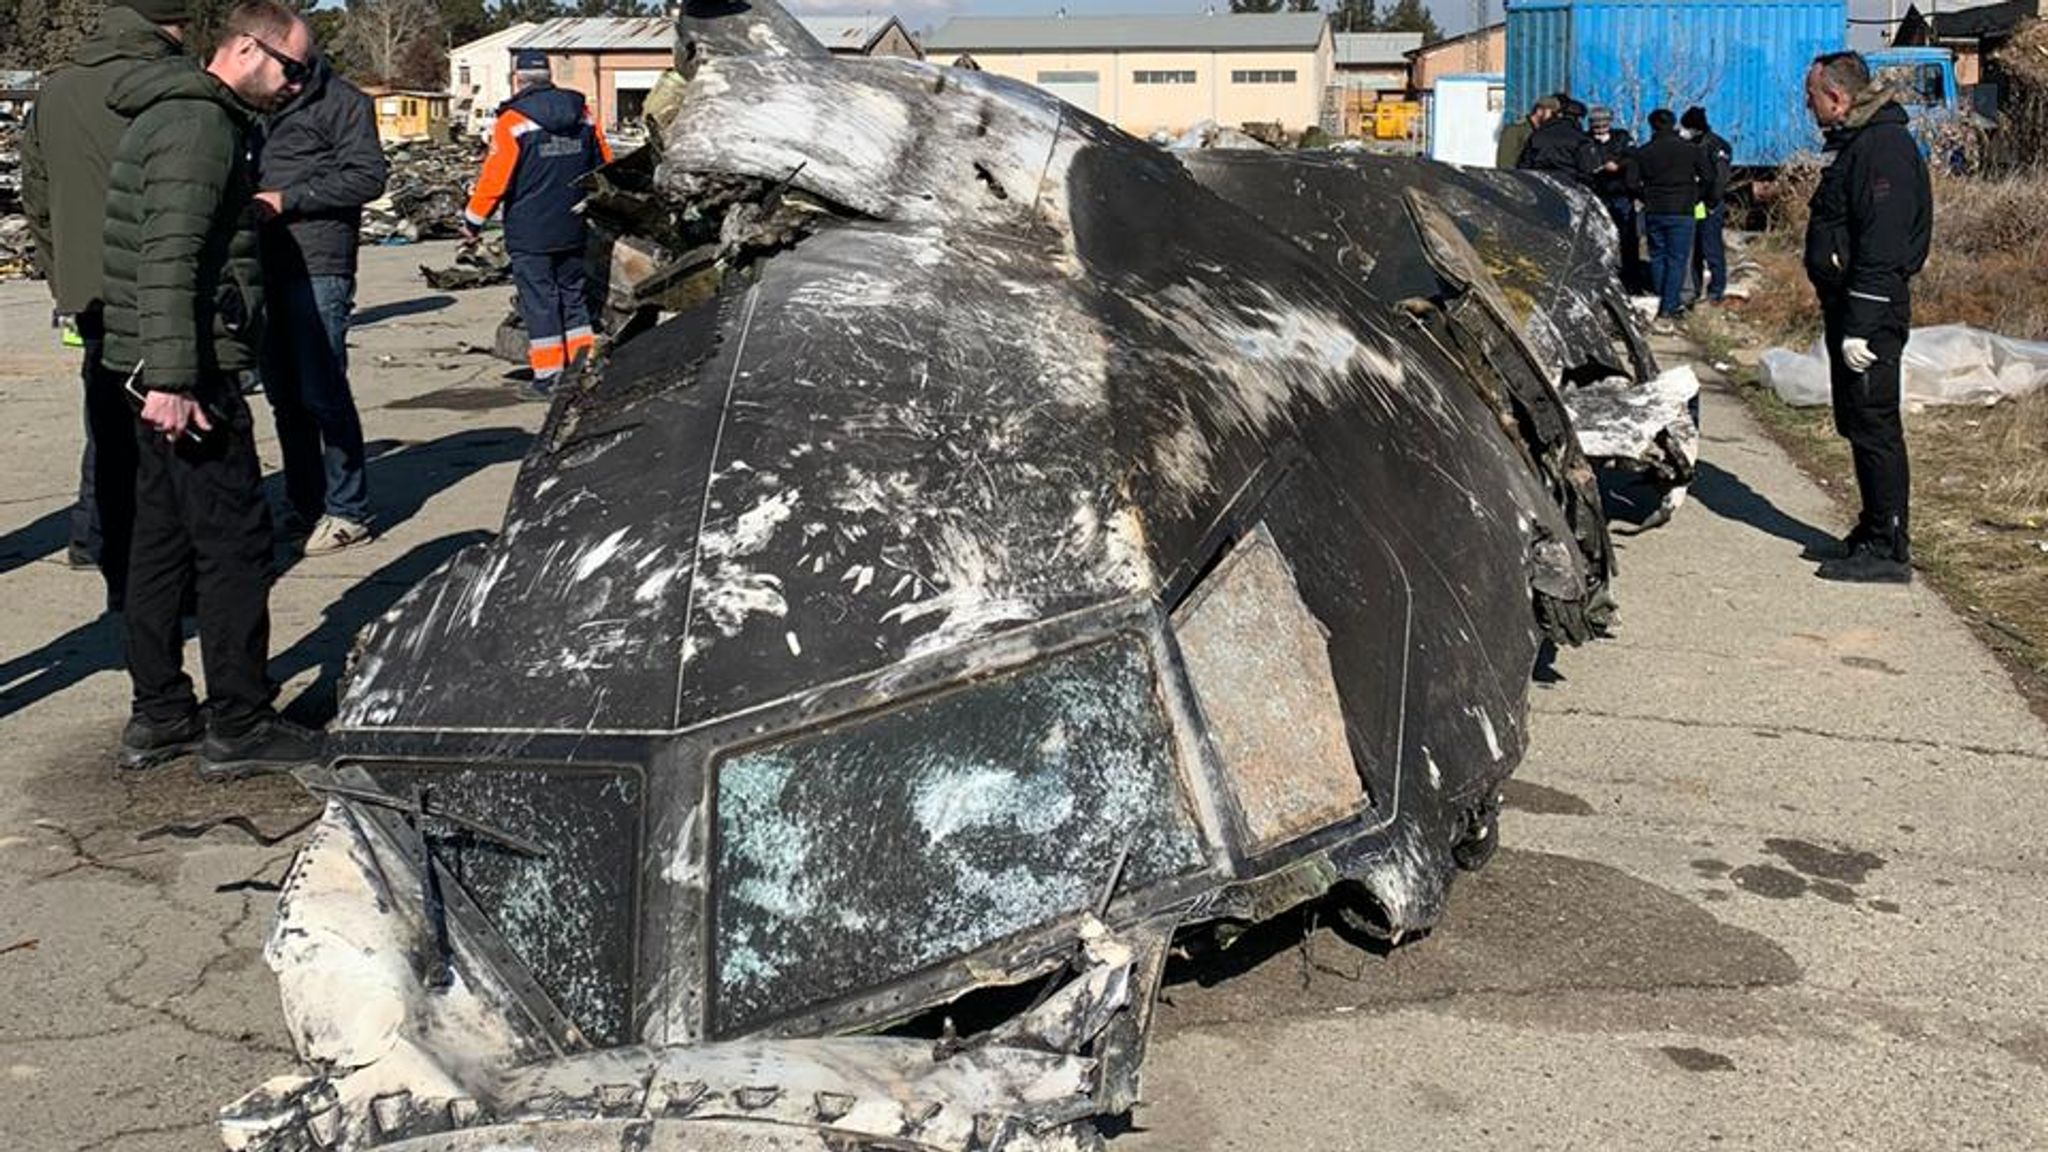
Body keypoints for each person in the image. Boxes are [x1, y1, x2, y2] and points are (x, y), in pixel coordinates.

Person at [100, 0, 324, 776]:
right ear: (246, 49)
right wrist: (172, 378)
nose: (297, 85)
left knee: (160, 543)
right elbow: (169, 256)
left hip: (154, 367)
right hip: (186, 373)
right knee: (236, 545)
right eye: (292, 68)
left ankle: (161, 713)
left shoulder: (181, 114)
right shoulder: (201, 127)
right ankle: (240, 721)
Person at [19, 0, 189, 611]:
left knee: (108, 424)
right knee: (170, 434)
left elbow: (35, 198)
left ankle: (101, 546)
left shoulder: (55, 92)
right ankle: (158, 577)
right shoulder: (169, 83)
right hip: (161, 287)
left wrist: (63, 275)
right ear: (168, 26)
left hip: (88, 289)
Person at [1802, 51, 1932, 583]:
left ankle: (1888, 545)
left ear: (1837, 97)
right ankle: (1873, 525)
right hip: (1852, 306)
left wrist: (1862, 324)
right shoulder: (1859, 142)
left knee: (1875, 422)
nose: (1807, 106)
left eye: (1811, 96)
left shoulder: (1883, 149)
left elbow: (1882, 245)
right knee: (1857, 420)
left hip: (1871, 313)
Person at [255, 44, 388, 554]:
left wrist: (289, 200)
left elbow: (367, 176)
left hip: (319, 264)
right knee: (284, 397)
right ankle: (304, 503)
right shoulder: (257, 104)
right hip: (265, 264)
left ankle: (348, 509)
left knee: (322, 391)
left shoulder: (343, 103)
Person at [461, 49, 612, 400]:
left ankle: (548, 376)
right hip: (574, 222)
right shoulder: (582, 114)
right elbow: (604, 164)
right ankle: (582, 369)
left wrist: (473, 221)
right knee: (574, 296)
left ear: (518, 79)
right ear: (550, 75)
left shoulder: (513, 121)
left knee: (540, 301)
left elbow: (495, 180)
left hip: (530, 230)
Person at [1634, 107, 1713, 328]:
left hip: (1655, 210)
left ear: (1651, 126)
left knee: (1658, 257)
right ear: (1674, 123)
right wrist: (1696, 197)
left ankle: (1664, 299)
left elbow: (1631, 182)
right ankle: (1668, 307)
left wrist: (1646, 197)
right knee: (1677, 259)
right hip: (1682, 210)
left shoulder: (1643, 152)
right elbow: (1709, 177)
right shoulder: (1691, 150)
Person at [1587, 106, 1643, 292]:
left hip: (1621, 194)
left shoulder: (1622, 138)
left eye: (1603, 126)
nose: (1600, 131)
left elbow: (1634, 157)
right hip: (1598, 194)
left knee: (1628, 239)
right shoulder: (1586, 141)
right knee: (1599, 238)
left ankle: (1632, 280)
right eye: (1596, 127)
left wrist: (1618, 165)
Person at [1682, 105, 1734, 305]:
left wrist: (1711, 203)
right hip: (1693, 204)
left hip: (1709, 205)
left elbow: (1720, 179)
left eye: (1686, 128)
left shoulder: (1717, 146)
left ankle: (1716, 290)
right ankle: (1694, 290)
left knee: (1711, 248)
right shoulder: (1689, 145)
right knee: (1694, 249)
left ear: (1695, 128)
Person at [1517, 95, 1600, 185]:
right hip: (1568, 186)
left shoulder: (1537, 135)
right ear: (1578, 119)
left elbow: (1523, 166)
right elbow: (1589, 170)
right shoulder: (1581, 139)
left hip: (1538, 186)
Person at [1496, 95, 1557, 170]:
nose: (1554, 118)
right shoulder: (1516, 130)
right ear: (1539, 111)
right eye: (1552, 114)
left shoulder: (1545, 131)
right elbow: (1505, 163)